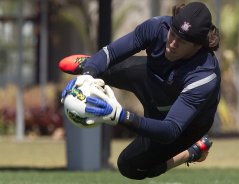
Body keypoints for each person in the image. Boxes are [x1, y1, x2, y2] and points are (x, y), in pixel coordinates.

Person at [61, 1, 220, 180]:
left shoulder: (204, 76)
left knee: (129, 167)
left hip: (181, 124)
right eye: (173, 34)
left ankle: (192, 152)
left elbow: (169, 129)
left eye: (181, 41)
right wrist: (88, 75)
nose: (173, 43)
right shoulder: (158, 27)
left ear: (198, 45)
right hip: (151, 81)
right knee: (100, 65)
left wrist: (121, 116)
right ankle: (91, 67)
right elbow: (111, 52)